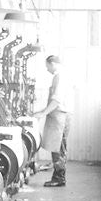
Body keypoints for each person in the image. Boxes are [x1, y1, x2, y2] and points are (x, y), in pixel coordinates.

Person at [34, 55, 71, 187]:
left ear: (53, 63)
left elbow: (57, 100)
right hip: (58, 115)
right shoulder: (60, 76)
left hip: (60, 116)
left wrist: (43, 113)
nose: (47, 69)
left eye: (47, 66)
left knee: (58, 149)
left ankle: (59, 178)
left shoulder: (60, 77)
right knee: (57, 148)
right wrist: (41, 111)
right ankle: (58, 176)